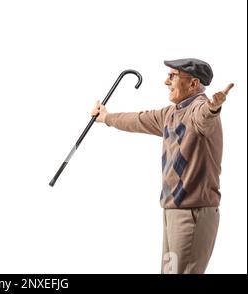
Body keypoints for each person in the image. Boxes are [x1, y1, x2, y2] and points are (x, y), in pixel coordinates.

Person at [92, 58, 233, 274]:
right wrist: (107, 117)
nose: (166, 81)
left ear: (193, 84)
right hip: (172, 210)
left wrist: (213, 108)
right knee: (169, 272)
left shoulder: (198, 109)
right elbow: (138, 119)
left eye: (172, 76)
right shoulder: (170, 113)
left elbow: (204, 116)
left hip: (192, 213)